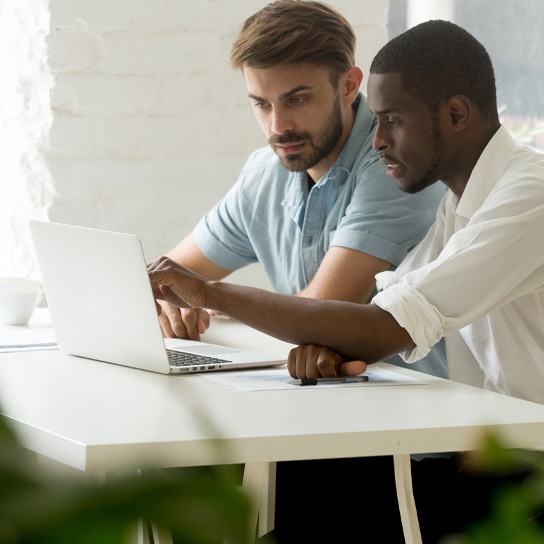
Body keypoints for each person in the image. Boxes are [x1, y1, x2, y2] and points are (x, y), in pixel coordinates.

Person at [149, 19, 544, 541]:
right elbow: (382, 310)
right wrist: (337, 344)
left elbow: (382, 326)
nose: (377, 141)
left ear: (455, 115)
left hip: (526, 479)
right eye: (261, 104)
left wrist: (210, 293)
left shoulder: (530, 195)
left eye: (392, 121)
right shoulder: (459, 206)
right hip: (481, 462)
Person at [159, 1, 447, 377]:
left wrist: (208, 297)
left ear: (349, 86)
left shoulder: (393, 164)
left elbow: (326, 307)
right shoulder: (263, 174)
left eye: (296, 100)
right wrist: (171, 304)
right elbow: (170, 276)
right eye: (262, 104)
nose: (278, 126)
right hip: (316, 399)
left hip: (425, 407)